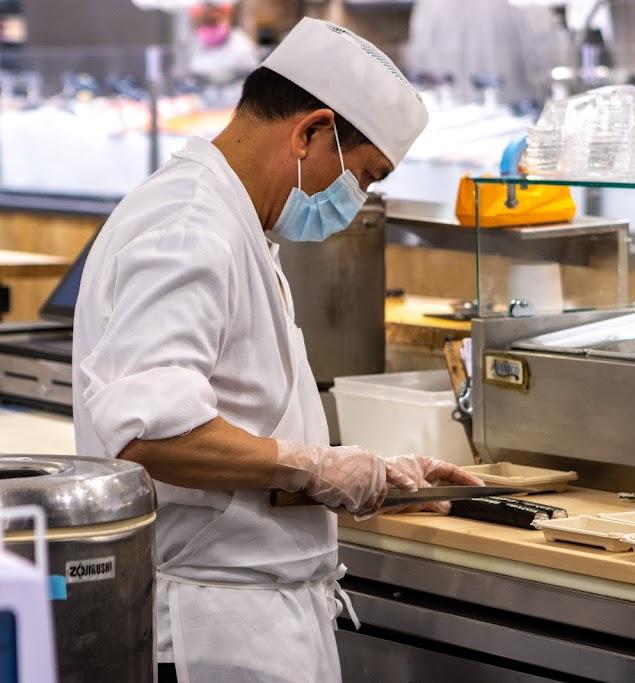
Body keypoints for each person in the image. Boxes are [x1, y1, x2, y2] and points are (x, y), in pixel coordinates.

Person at [72, 17, 482, 683]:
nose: (359, 199)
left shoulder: (235, 223)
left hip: (253, 623)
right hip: (208, 635)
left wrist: (372, 476)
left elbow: (240, 414)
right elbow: (149, 434)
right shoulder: (189, 226)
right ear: (312, 132)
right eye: (365, 176)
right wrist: (312, 467)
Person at [188, 1, 261, 84]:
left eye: (214, 21)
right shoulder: (195, 44)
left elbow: (253, 83)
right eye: (206, 22)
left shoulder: (242, 47)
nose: (211, 16)